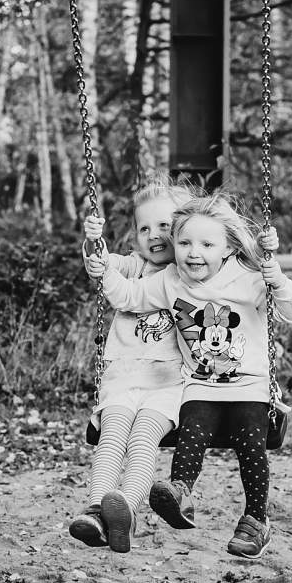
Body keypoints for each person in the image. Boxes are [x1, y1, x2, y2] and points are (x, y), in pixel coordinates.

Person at [85, 192, 292, 559]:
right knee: (192, 431)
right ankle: (178, 490)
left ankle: (255, 519)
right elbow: (128, 296)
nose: (193, 252)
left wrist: (276, 277)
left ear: (228, 247)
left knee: (251, 444)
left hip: (249, 388)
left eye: (206, 244)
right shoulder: (171, 279)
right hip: (200, 386)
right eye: (184, 242)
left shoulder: (248, 278)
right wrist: (102, 269)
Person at [69, 177, 193, 553]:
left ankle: (125, 506)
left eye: (165, 226)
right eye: (144, 228)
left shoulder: (191, 272)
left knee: (142, 442)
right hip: (122, 380)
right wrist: (93, 240)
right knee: (111, 438)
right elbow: (100, 265)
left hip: (168, 385)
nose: (154, 235)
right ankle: (96, 510)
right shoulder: (133, 267)